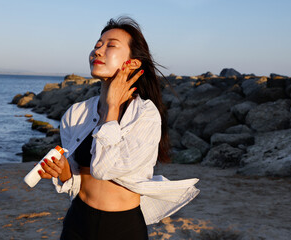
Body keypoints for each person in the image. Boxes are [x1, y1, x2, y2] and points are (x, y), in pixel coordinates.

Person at [38, 16, 199, 240]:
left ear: (133, 63)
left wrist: (112, 108)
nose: (98, 51)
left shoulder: (145, 115)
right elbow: (78, 181)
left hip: (123, 228)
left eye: (111, 45)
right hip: (78, 220)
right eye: (97, 45)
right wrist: (64, 172)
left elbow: (104, 169)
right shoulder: (76, 114)